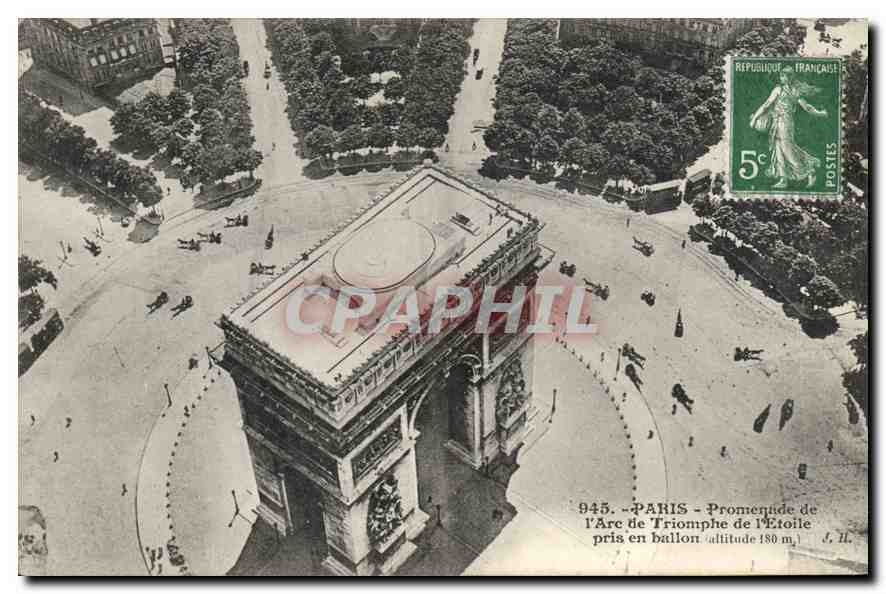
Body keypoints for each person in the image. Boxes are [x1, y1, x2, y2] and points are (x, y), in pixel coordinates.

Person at [749, 65, 829, 189]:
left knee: (787, 149)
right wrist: (820, 113)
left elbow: (806, 107)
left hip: (785, 123)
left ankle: (809, 171)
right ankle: (783, 179)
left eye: (783, 76)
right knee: (778, 149)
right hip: (777, 122)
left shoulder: (786, 90)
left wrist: (820, 113)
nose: (781, 78)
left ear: (789, 78)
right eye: (781, 75)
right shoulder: (782, 90)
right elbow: (767, 105)